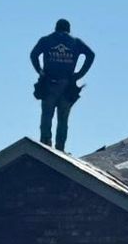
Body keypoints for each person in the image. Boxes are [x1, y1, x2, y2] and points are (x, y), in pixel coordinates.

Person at [30, 19, 95, 151]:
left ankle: (45, 143)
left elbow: (33, 55)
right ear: (69, 29)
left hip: (49, 83)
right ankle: (60, 148)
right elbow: (91, 54)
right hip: (67, 85)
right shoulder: (75, 42)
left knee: (47, 115)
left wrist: (40, 71)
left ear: (56, 28)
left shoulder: (46, 40)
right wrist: (79, 74)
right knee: (63, 119)